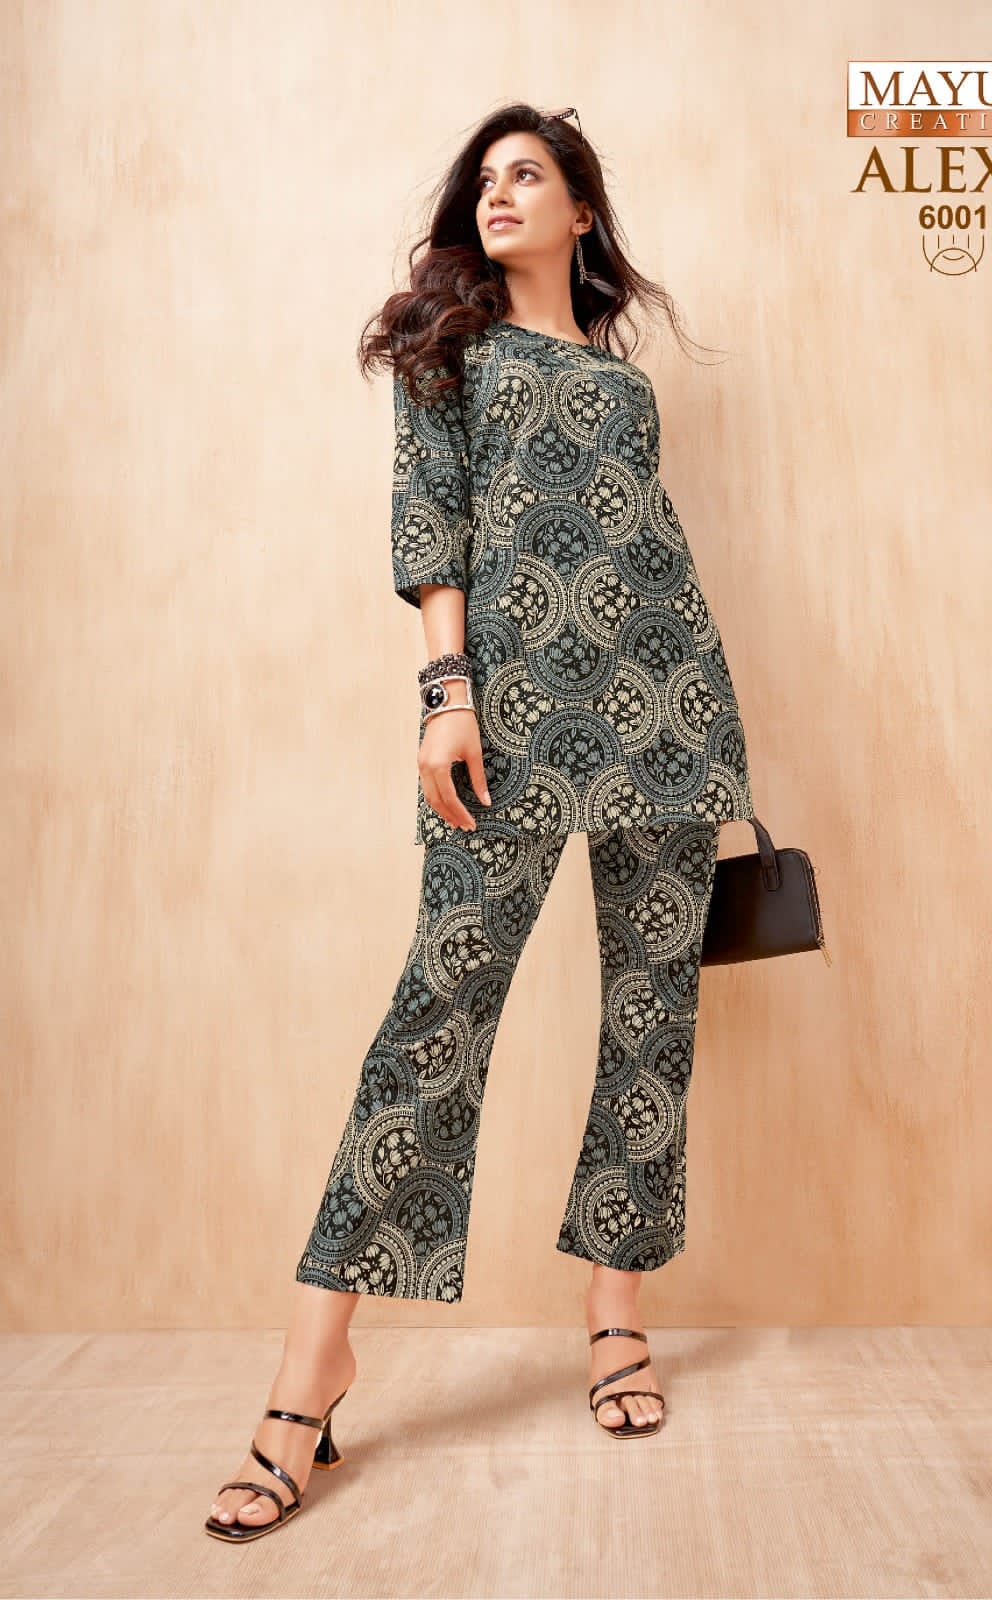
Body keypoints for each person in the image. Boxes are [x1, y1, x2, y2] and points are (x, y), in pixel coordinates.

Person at [205, 101, 754, 1543]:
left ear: (582, 212)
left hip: (669, 712)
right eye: (487, 179)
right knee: (437, 1011)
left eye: (530, 176)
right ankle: (312, 1369)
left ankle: (617, 1316)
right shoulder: (447, 351)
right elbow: (431, 520)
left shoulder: (625, 387)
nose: (500, 194)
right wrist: (446, 691)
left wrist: (719, 731)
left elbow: (654, 548)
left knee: (652, 1014)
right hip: (506, 718)